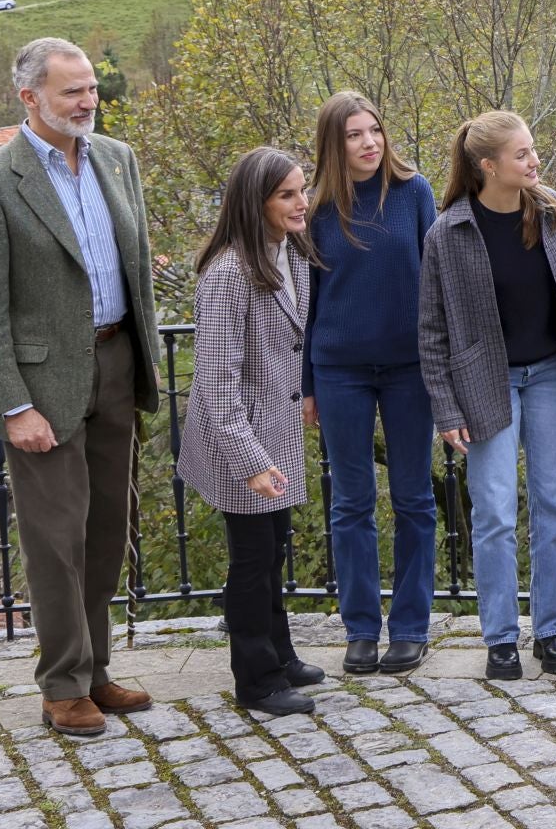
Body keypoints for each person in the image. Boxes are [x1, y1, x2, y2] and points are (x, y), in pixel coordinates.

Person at [0, 37, 161, 736]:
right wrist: (14, 405)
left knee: (107, 532)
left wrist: (141, 363)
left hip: (116, 365)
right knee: (55, 539)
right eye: (71, 90)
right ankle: (62, 684)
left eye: (92, 86)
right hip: (41, 387)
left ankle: (97, 671)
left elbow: (137, 271)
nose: (87, 100)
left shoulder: (117, 160)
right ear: (29, 98)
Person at [419, 112, 556, 680]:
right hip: (484, 384)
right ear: (488, 166)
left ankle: (549, 632)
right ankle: (499, 638)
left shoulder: (551, 214)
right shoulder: (448, 232)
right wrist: (446, 408)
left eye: (533, 151)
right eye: (522, 155)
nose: (534, 162)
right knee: (493, 512)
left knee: (555, 507)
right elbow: (432, 329)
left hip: (548, 376)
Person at [176, 147, 327, 716]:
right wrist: (251, 460)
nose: (301, 202)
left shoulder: (289, 251)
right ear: (255, 201)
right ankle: (256, 680)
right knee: (251, 559)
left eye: (302, 190)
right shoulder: (226, 275)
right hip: (236, 440)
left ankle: (280, 654)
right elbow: (216, 385)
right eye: (287, 194)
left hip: (276, 433)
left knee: (273, 552)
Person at [303, 91, 439, 676]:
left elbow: (437, 283)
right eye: (355, 135)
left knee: (414, 499)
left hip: (410, 370)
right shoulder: (313, 210)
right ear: (335, 145)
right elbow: (304, 305)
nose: (369, 143)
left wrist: (442, 365)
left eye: (375, 130)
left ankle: (410, 627)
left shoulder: (414, 194)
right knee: (351, 502)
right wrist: (307, 384)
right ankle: (360, 629)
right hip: (340, 372)